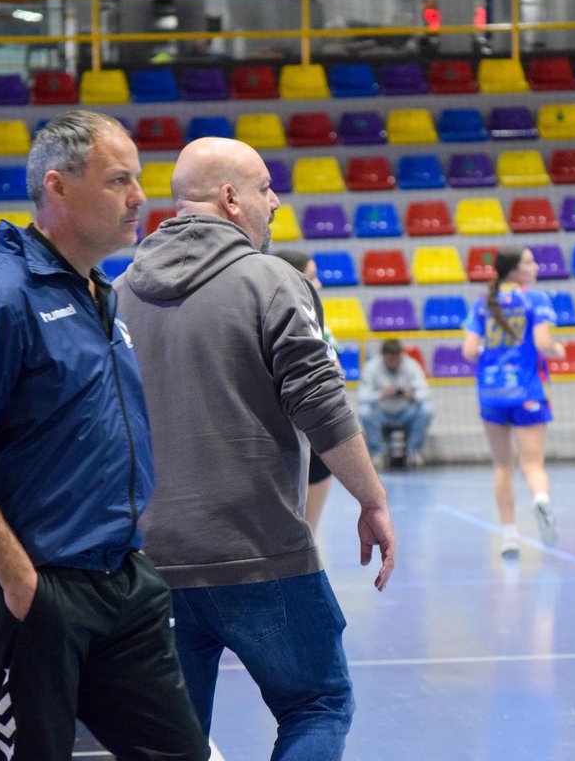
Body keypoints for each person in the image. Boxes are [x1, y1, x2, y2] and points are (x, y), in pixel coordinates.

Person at [0, 111, 208, 761]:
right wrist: (21, 584)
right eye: (119, 181)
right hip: (39, 592)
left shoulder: (98, 293)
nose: (140, 198)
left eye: (139, 180)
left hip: (121, 581)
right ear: (59, 188)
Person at [114, 136, 396, 760]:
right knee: (317, 705)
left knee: (173, 741)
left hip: (150, 561)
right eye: (266, 188)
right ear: (230, 198)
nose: (276, 201)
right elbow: (321, 401)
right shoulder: (272, 280)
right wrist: (371, 498)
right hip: (260, 552)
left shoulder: (119, 292)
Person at [462, 246, 566, 556]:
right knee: (532, 463)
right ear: (515, 270)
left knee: (502, 465)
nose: (535, 266)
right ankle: (541, 501)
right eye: (530, 262)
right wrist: (558, 349)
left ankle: (509, 534)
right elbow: (543, 343)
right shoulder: (535, 300)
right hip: (527, 392)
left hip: (492, 393)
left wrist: (493, 359)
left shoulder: (482, 305)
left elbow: (469, 352)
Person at [273, 249, 342, 531]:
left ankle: (308, 546)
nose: (320, 285)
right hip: (280, 438)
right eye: (313, 277)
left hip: (310, 434)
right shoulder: (277, 323)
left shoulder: (318, 325)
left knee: (306, 532)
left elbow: (334, 375)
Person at [357, 338, 434, 469]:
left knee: (427, 409)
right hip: (381, 412)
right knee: (364, 411)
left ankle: (413, 452)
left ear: (401, 356)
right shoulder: (372, 367)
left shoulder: (411, 365)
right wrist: (381, 394)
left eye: (396, 359)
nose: (393, 363)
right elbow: (362, 396)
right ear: (383, 356)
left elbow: (426, 392)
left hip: (406, 411)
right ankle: (378, 453)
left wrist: (412, 395)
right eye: (390, 359)